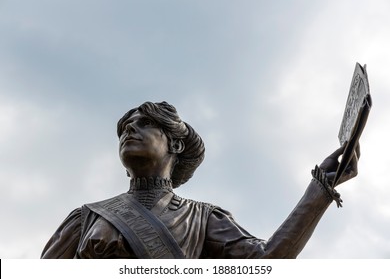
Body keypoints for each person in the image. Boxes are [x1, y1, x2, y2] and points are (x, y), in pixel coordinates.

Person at [41, 101, 359, 259]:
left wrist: (320, 189)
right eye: (126, 127)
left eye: (144, 124)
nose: (129, 130)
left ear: (175, 145)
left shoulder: (204, 218)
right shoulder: (86, 217)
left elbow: (268, 262)